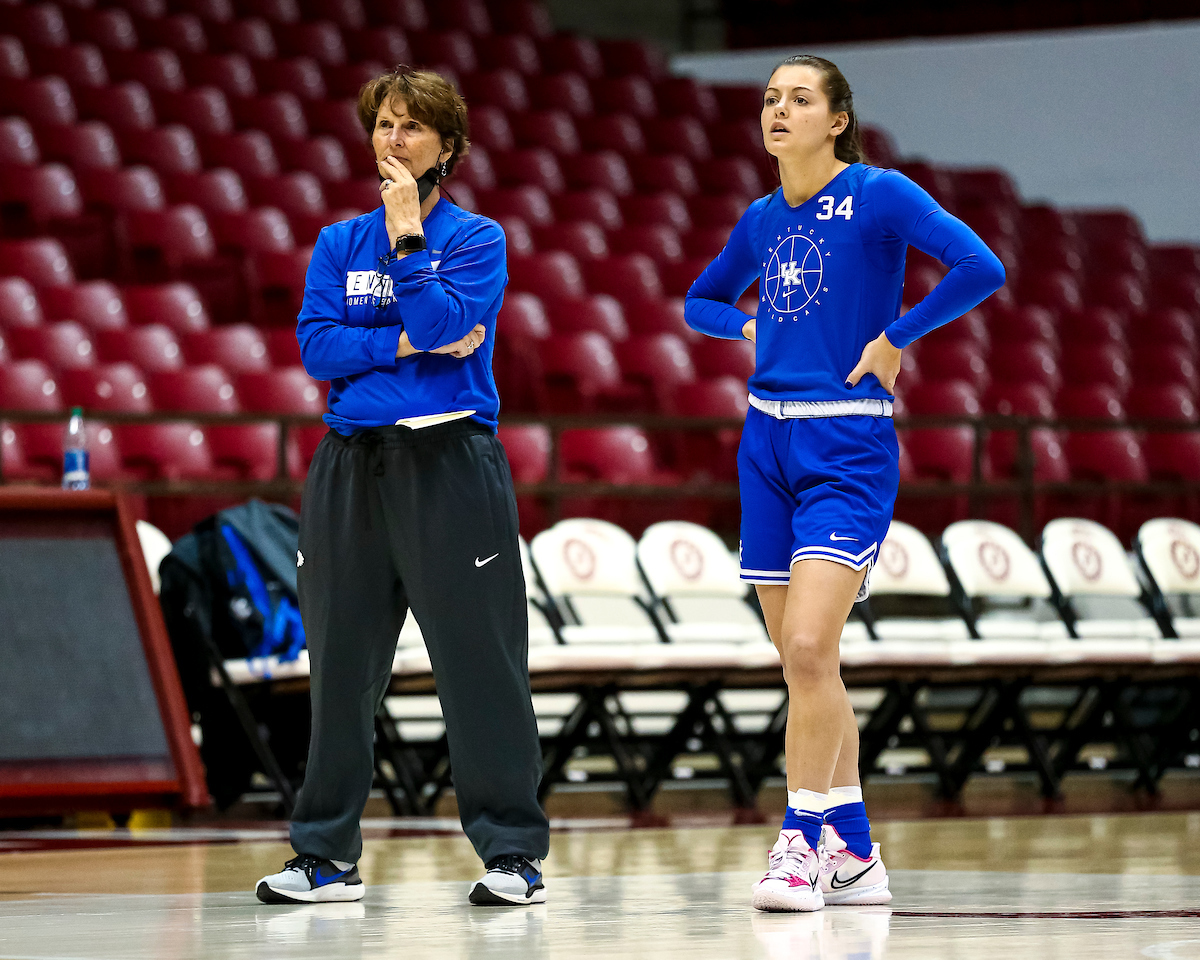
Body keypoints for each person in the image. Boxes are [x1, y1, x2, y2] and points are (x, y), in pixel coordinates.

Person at [685, 55, 1005, 912]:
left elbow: (980, 266)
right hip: (765, 447)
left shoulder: (880, 194)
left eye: (798, 99)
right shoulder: (758, 218)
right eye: (769, 99)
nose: (778, 110)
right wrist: (743, 319)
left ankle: (798, 843)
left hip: (848, 445)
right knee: (809, 669)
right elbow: (698, 302)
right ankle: (857, 856)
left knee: (806, 649)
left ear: (836, 119)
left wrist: (900, 335)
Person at [255, 68, 550, 907]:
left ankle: (513, 855)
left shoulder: (477, 238)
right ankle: (324, 857)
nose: (393, 140)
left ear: (446, 147)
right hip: (350, 464)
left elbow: (445, 324)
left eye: (413, 128)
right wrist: (406, 348)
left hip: (450, 465)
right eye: (384, 125)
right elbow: (318, 350)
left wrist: (411, 240)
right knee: (340, 666)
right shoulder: (338, 243)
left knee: (480, 666)